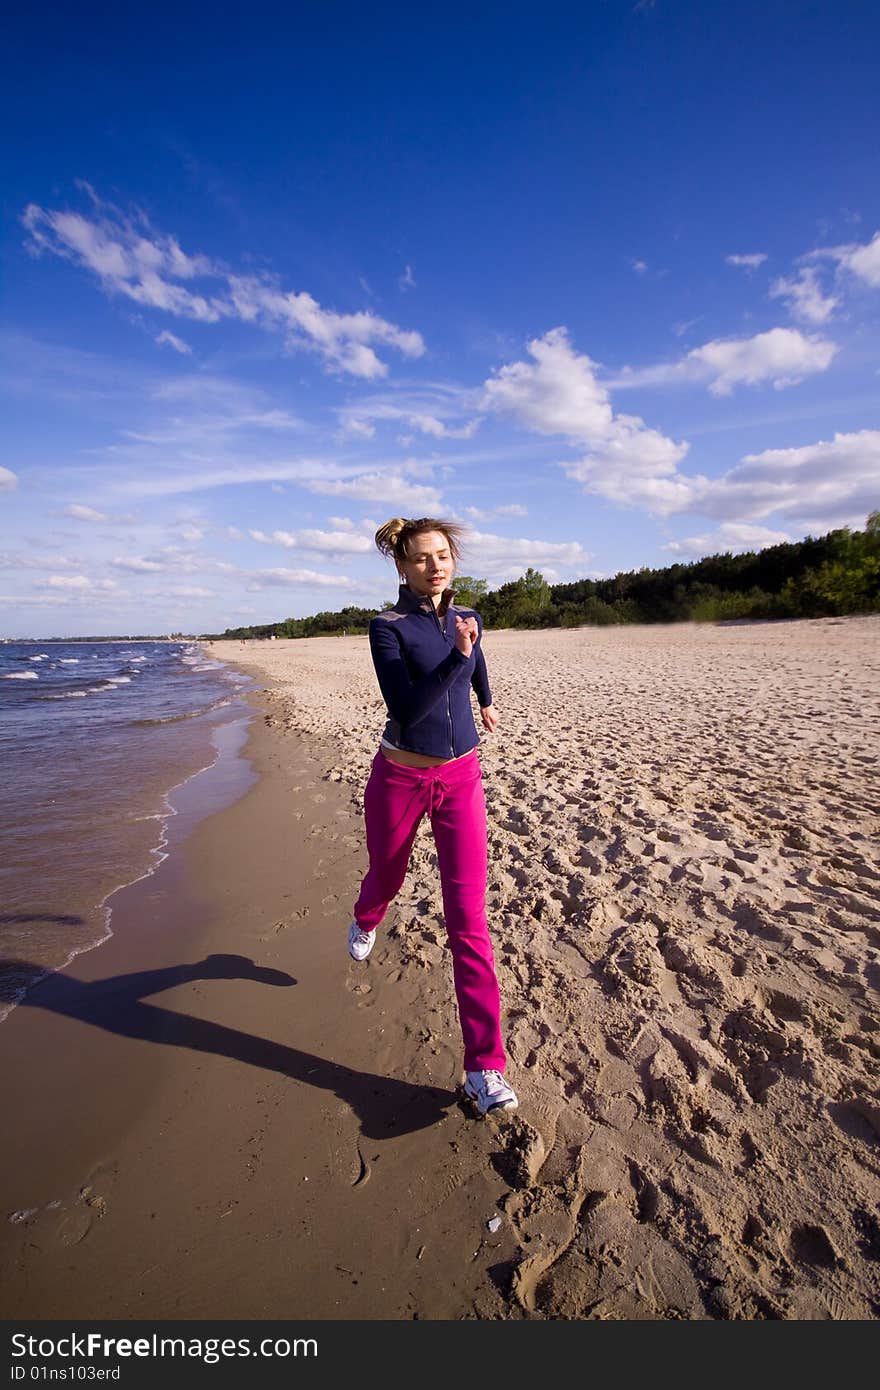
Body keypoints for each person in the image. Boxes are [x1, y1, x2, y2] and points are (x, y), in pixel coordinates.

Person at [347, 516, 518, 1117]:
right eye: (421, 559)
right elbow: (409, 708)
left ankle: (484, 1067)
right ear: (401, 566)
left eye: (443, 555)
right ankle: (368, 916)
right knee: (387, 874)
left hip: (461, 777)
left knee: (469, 917)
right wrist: (458, 660)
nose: (435, 566)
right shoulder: (386, 627)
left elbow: (478, 665)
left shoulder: (467, 616)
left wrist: (487, 702)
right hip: (401, 774)